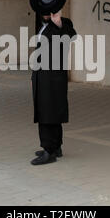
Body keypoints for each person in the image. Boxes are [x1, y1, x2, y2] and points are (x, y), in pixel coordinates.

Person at [30, 10, 77, 165]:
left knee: (48, 112)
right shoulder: (43, 25)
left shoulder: (65, 23)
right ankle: (56, 147)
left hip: (53, 76)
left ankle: (48, 151)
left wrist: (59, 25)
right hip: (42, 75)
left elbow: (72, 36)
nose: (46, 13)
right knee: (51, 111)